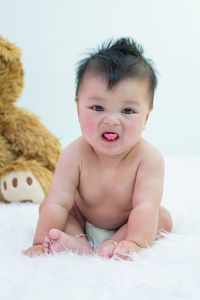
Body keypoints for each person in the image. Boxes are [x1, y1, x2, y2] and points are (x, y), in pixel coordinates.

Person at [23, 37, 172, 259]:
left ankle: (116, 243)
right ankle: (78, 241)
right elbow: (58, 202)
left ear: (146, 117)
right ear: (78, 109)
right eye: (98, 107)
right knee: (48, 206)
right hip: (83, 218)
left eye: (128, 111)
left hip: (127, 222)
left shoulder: (148, 158)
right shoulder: (74, 154)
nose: (111, 120)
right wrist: (39, 243)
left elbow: (144, 207)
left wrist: (135, 242)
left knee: (161, 217)